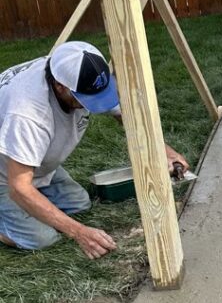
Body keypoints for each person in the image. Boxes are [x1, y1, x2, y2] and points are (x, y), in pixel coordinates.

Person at [0, 41, 188, 259]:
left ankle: (31, 200)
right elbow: (19, 187)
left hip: (34, 161)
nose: (94, 103)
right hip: (4, 176)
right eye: (85, 98)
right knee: (43, 239)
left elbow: (126, 117)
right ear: (60, 86)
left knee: (79, 204)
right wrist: (79, 232)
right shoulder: (28, 114)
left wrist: (164, 151)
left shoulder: (77, 72)